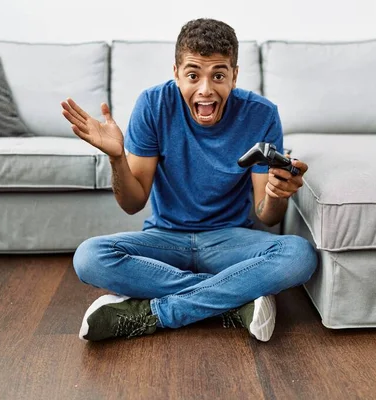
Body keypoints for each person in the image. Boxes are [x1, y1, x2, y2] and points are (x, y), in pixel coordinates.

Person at [61, 18, 318, 343]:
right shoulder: (153, 105)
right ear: (177, 73)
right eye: (193, 75)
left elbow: (267, 214)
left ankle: (155, 313)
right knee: (88, 257)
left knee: (299, 255)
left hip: (230, 241)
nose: (206, 89)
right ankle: (232, 297)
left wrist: (277, 193)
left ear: (234, 75)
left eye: (219, 75)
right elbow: (133, 203)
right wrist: (117, 158)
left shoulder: (261, 114)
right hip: (165, 239)